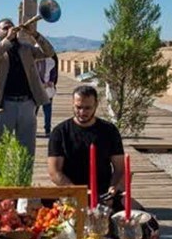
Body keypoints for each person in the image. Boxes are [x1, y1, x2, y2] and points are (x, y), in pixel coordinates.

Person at [47, 85, 142, 214]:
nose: (82, 112)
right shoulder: (60, 132)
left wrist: (114, 188)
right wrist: (78, 192)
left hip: (104, 195)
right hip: (72, 193)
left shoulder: (109, 130)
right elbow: (55, 172)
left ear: (96, 105)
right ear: (72, 104)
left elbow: (119, 168)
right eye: (78, 107)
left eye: (87, 108)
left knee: (140, 213)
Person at [0, 18, 55, 157]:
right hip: (2, 105)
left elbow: (49, 53)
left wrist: (35, 34)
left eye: (11, 26)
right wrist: (7, 41)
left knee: (26, 151)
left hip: (27, 104)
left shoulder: (26, 48)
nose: (10, 29)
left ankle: (24, 178)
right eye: (5, 28)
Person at [36, 53, 59, 137]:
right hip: (36, 90)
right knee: (34, 111)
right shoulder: (33, 60)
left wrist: (52, 82)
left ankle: (47, 130)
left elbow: (54, 73)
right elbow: (33, 74)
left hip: (48, 90)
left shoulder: (51, 61)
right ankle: (32, 128)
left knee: (47, 110)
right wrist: (42, 83)